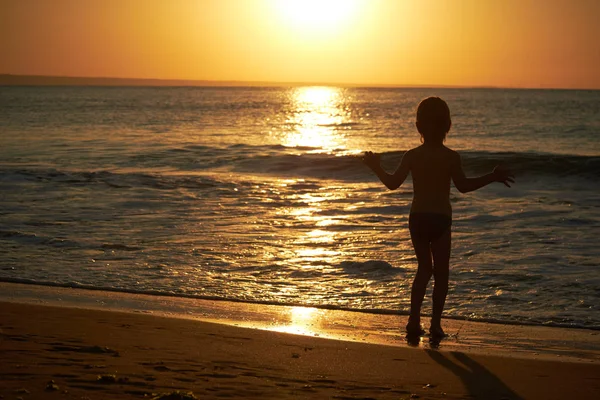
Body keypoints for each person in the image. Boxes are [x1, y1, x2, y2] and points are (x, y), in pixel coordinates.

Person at [362, 97, 514, 339]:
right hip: (441, 219)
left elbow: (392, 183)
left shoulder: (411, 155)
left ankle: (413, 322)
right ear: (448, 126)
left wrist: (375, 166)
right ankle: (435, 326)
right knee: (441, 273)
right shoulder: (451, 157)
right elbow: (463, 186)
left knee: (424, 270)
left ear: (418, 127)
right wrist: (492, 177)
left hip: (418, 219)